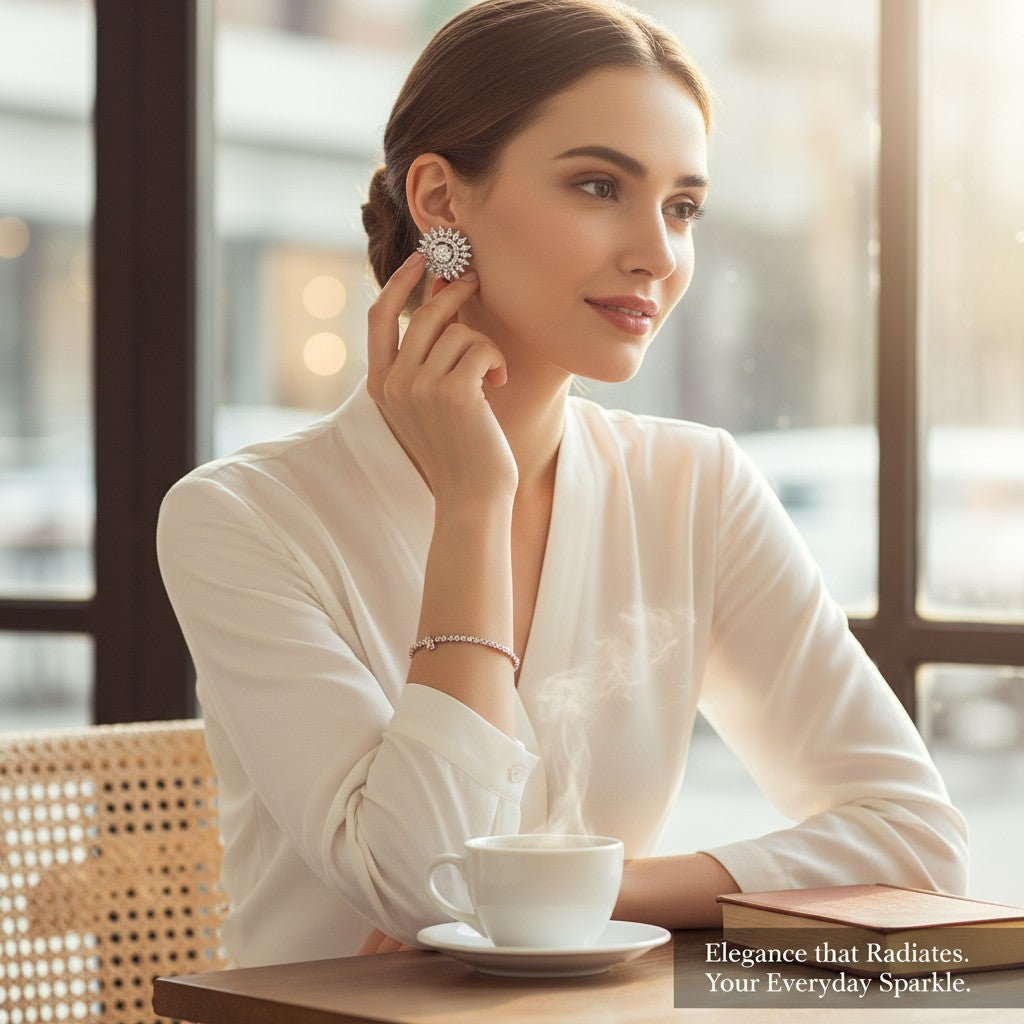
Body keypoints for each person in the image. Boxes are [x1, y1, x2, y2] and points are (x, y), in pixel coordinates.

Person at [157, 0, 967, 968]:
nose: (658, 255)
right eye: (597, 186)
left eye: (682, 207)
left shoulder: (693, 486)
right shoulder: (243, 519)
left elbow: (918, 845)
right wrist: (472, 505)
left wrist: (597, 890)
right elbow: (425, 885)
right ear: (441, 201)